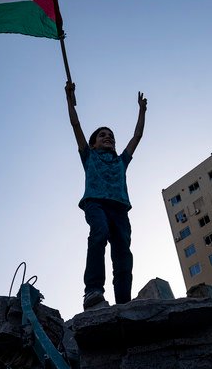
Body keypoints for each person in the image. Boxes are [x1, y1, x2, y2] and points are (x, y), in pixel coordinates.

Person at [65, 81, 147, 310]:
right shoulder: (89, 156)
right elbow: (75, 124)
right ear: (92, 144)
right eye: (102, 135)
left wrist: (141, 111)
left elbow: (137, 136)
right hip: (96, 203)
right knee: (99, 232)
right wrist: (69, 100)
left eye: (110, 135)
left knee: (123, 253)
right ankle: (92, 291)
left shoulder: (121, 161)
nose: (108, 137)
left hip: (119, 208)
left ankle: (123, 302)